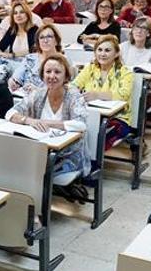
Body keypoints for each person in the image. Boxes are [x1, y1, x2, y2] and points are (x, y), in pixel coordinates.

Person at [6, 54, 89, 194]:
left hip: (68, 155)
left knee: (32, 170)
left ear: (66, 76)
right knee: (12, 164)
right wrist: (29, 120)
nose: (52, 76)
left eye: (57, 72)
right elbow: (10, 114)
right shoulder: (38, 94)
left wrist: (48, 123)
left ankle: (36, 210)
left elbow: (81, 124)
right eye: (48, 72)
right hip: (40, 151)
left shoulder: (74, 95)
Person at [73, 35, 134, 148]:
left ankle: (92, 164)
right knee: (76, 132)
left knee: (96, 136)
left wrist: (97, 95)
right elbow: (74, 85)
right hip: (90, 114)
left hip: (117, 118)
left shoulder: (125, 72)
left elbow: (123, 95)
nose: (102, 54)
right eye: (99, 50)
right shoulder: (90, 68)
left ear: (116, 54)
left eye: (107, 50)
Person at [10, 23, 63, 93]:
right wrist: (13, 82)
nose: (45, 41)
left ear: (56, 41)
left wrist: (38, 91)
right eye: (41, 37)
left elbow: (63, 89)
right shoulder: (30, 58)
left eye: (49, 37)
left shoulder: (63, 61)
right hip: (23, 97)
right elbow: (16, 77)